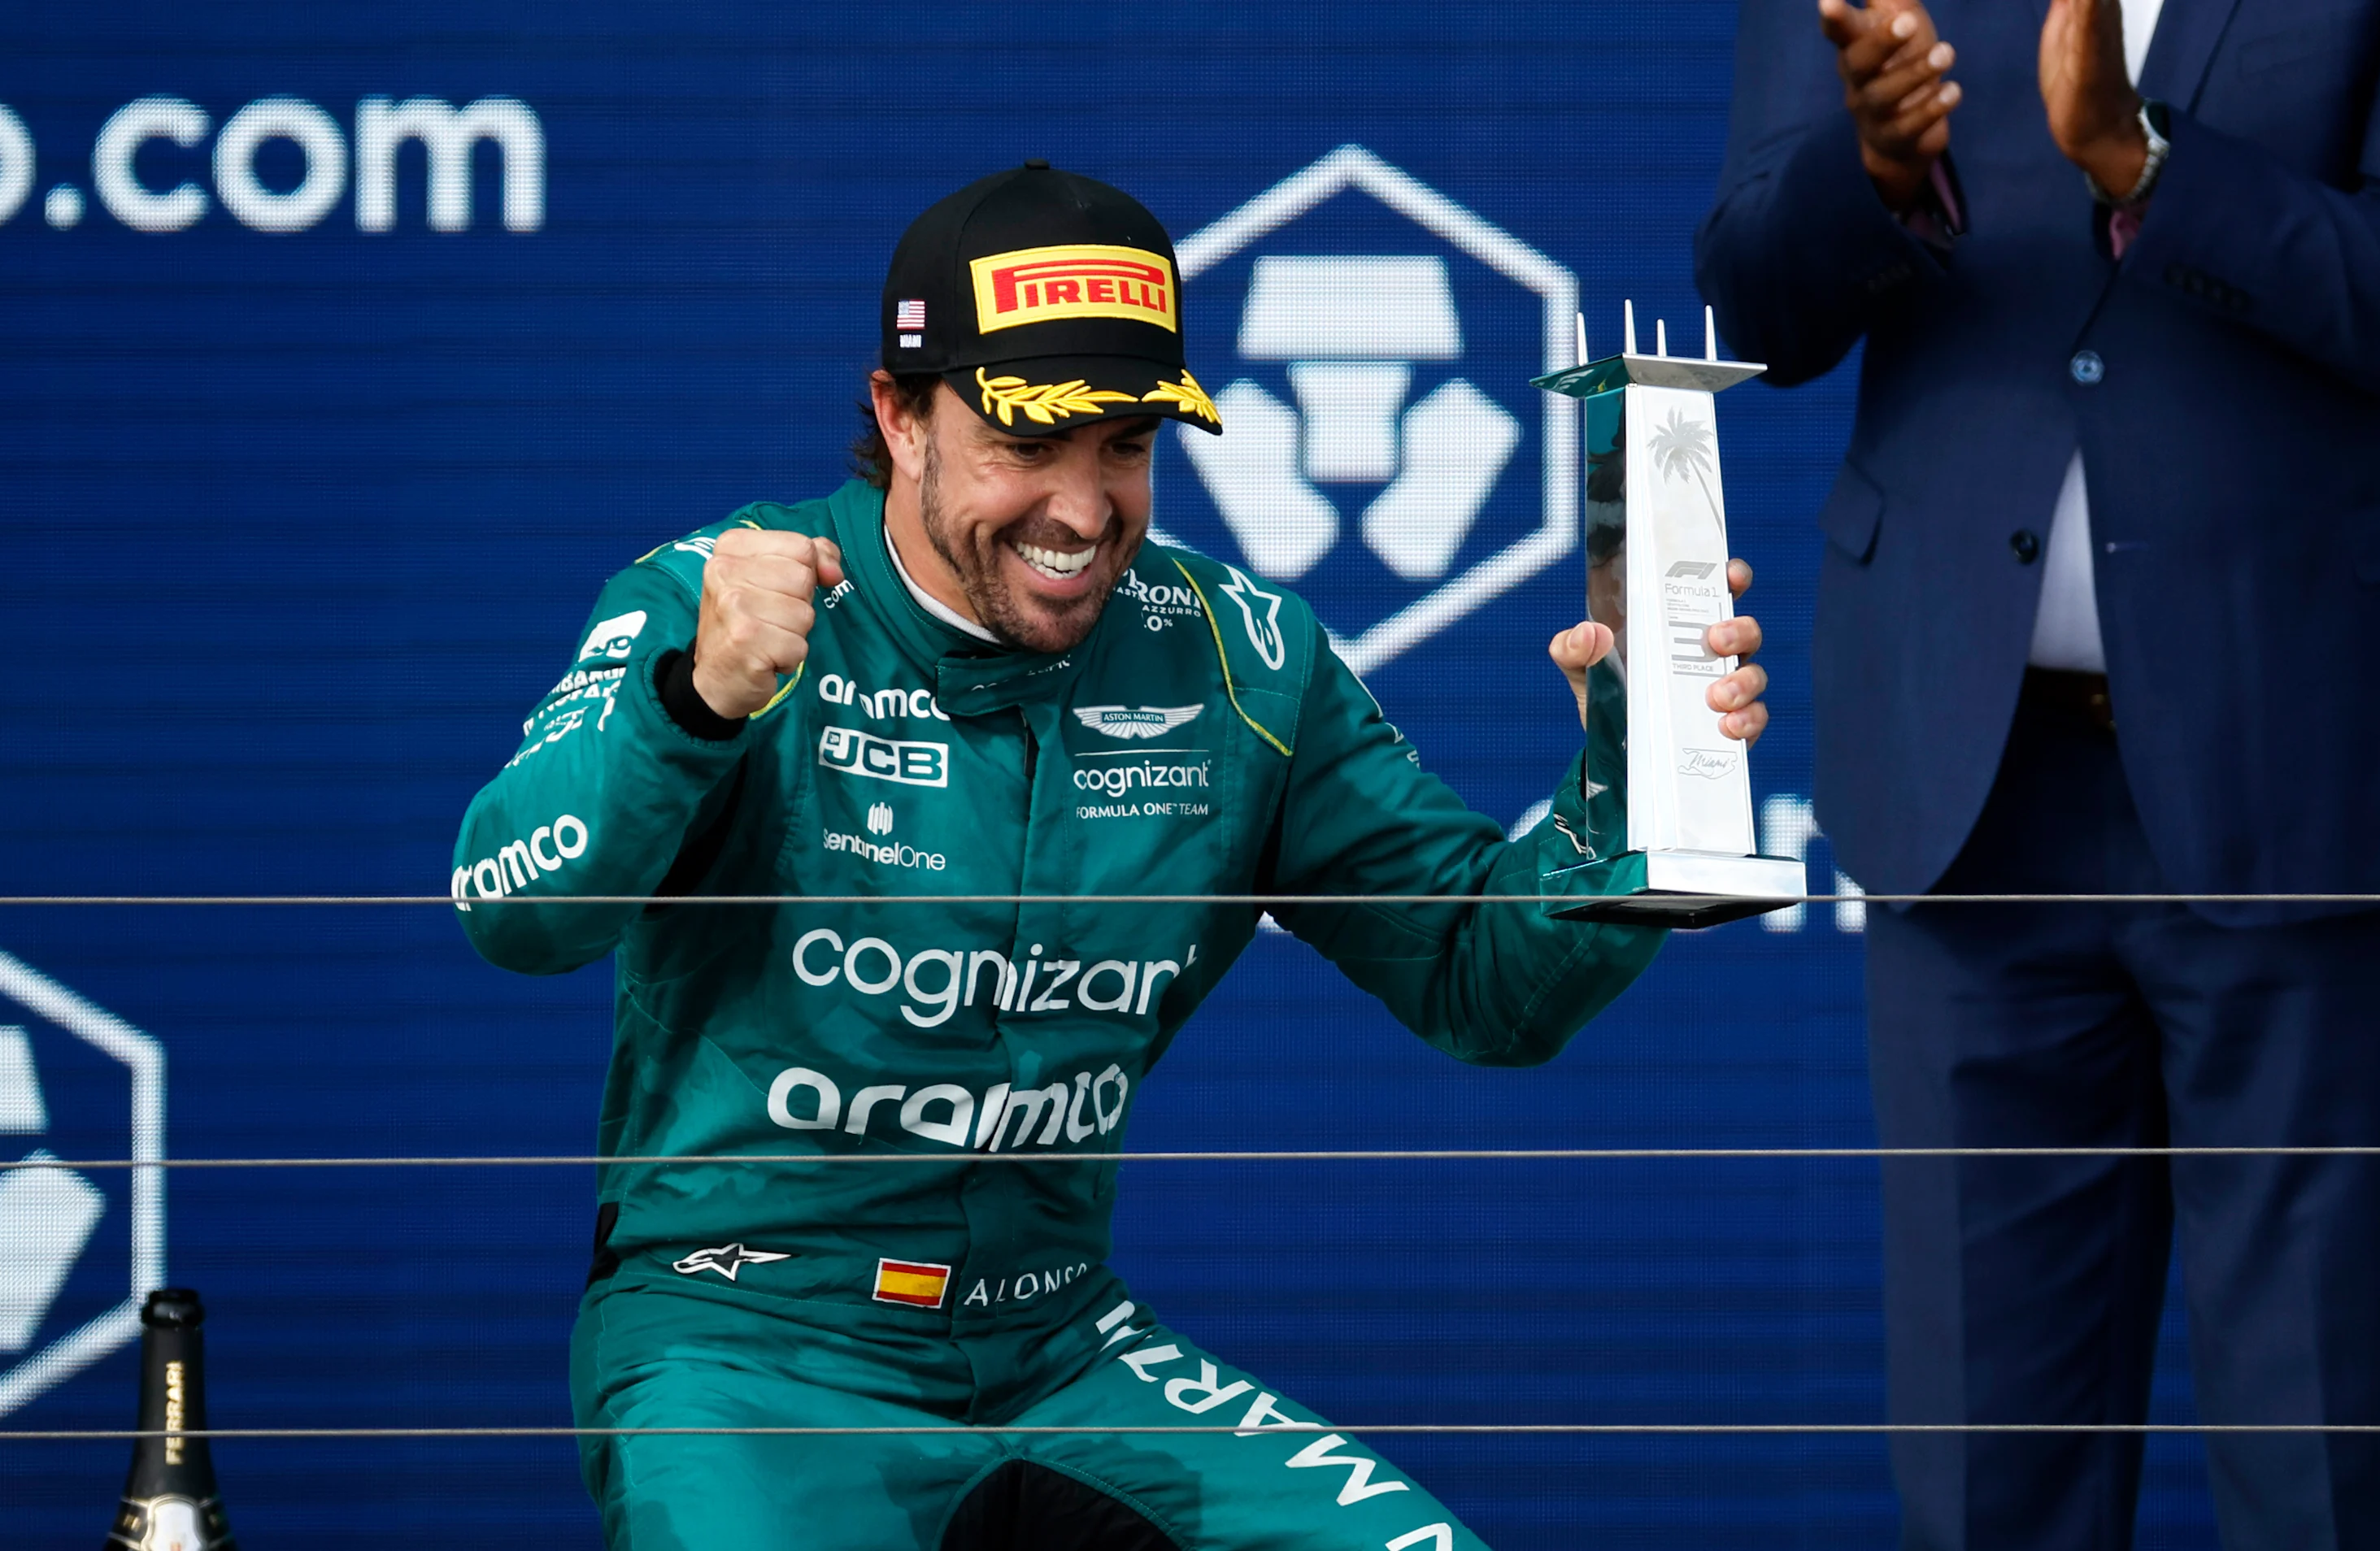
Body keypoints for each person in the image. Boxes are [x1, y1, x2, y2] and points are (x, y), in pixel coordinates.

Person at [452, 161, 1773, 1550]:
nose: (1084, 512)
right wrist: (694, 705)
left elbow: (1481, 981)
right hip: (745, 1349)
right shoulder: (723, 604)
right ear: (901, 418)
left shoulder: (1243, 659)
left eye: (1127, 447)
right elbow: (513, 911)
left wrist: (1634, 774)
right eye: (1029, 446)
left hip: (1061, 1349)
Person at [1697, 0, 2380, 1545]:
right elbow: (1758, 295)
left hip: (2330, 792)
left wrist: (2141, 158)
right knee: (1986, 1499)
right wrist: (1874, 168)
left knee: (2333, 1495)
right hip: (1973, 803)